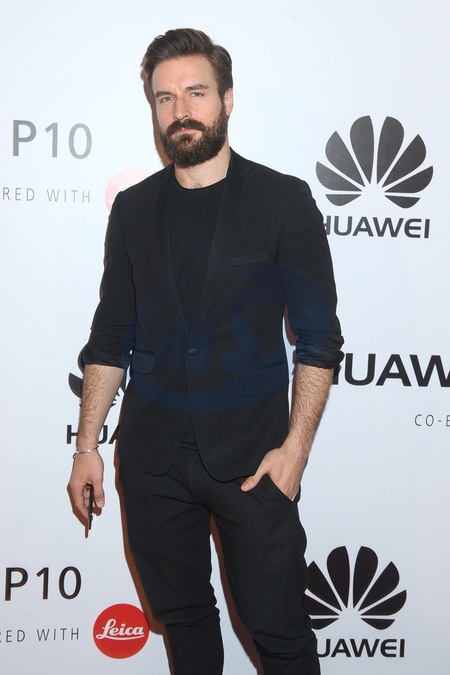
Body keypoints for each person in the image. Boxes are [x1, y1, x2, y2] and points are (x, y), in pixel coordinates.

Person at [69, 28, 344, 675]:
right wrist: (86, 448)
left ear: (227, 98)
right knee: (185, 622)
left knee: (281, 635)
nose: (180, 110)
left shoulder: (283, 200)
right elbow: (110, 337)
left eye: (195, 92)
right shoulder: (133, 209)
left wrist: (296, 450)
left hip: (254, 462)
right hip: (152, 463)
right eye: (164, 98)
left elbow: (319, 338)